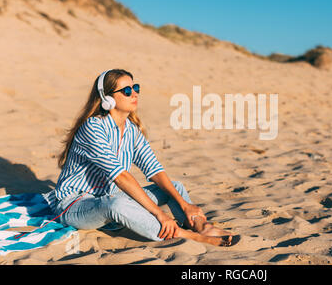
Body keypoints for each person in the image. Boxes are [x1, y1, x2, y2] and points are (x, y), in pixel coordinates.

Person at [44, 69, 238, 247]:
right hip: (74, 205)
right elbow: (121, 177)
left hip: (108, 196)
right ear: (107, 98)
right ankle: (183, 234)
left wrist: (185, 205)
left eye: (135, 88)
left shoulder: (131, 130)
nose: (135, 93)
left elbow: (154, 170)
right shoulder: (93, 127)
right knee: (116, 204)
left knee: (174, 187)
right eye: (127, 90)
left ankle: (201, 226)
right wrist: (159, 214)